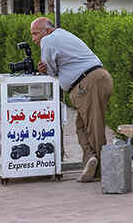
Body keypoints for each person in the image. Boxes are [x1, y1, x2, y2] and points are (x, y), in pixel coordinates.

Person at [31, 17, 112, 183]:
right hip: (99, 77)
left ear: (47, 30)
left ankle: (101, 172)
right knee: (82, 126)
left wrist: (45, 69)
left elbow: (52, 72)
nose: (33, 39)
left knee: (94, 126)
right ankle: (91, 159)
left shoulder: (48, 40)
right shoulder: (63, 34)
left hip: (88, 83)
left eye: (35, 33)